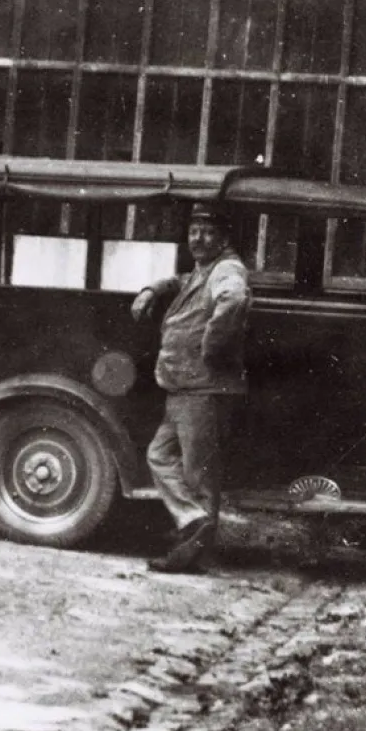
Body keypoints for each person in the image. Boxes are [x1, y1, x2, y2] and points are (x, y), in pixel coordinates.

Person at [129, 202, 252, 574]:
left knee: (200, 476)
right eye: (194, 232)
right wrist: (152, 289)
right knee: (160, 456)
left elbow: (234, 299)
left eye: (208, 232)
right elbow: (184, 282)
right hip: (185, 387)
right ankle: (193, 523)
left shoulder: (227, 268)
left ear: (223, 238)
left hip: (202, 388)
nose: (199, 239)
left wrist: (212, 348)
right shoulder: (206, 269)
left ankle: (194, 551)